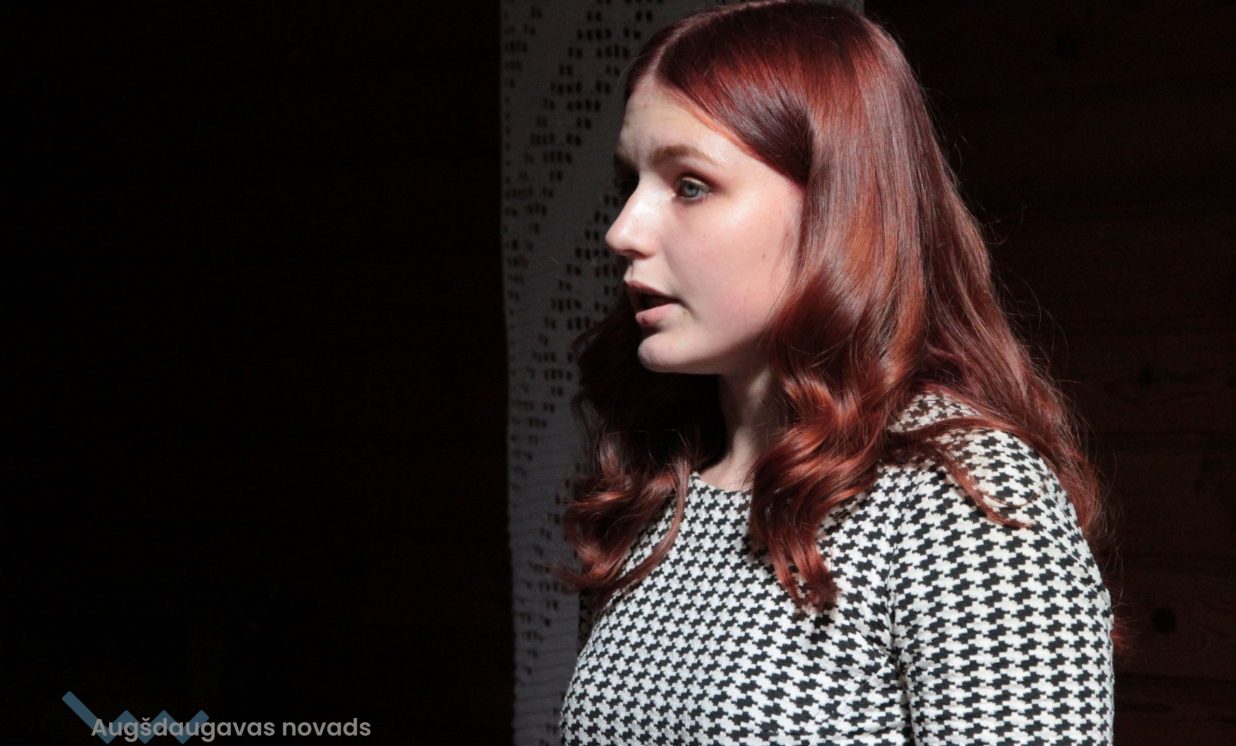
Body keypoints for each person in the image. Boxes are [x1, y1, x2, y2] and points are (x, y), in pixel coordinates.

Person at [554, 2, 1122, 742]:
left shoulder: (963, 497)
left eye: (690, 184)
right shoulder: (661, 486)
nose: (623, 230)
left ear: (837, 207)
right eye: (630, 182)